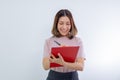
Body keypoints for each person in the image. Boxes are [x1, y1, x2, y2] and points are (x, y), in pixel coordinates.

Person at [42, 9, 86, 80]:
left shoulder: (78, 41)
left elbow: (81, 67)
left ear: (71, 25)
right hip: (53, 77)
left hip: (72, 77)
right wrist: (54, 57)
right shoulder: (49, 41)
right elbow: (45, 66)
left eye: (68, 24)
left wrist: (64, 62)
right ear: (56, 24)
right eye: (61, 23)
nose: (64, 27)